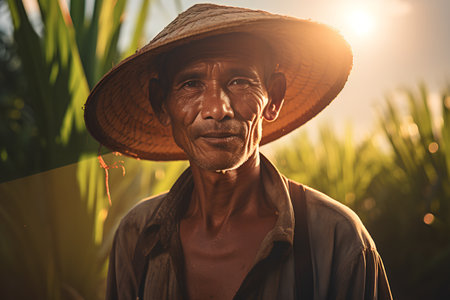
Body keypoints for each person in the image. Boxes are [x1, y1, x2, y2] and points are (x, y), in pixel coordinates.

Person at [84, 4, 392, 300]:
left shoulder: (338, 241)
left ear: (273, 98)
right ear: (161, 105)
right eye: (191, 84)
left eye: (240, 81)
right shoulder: (137, 237)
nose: (218, 109)